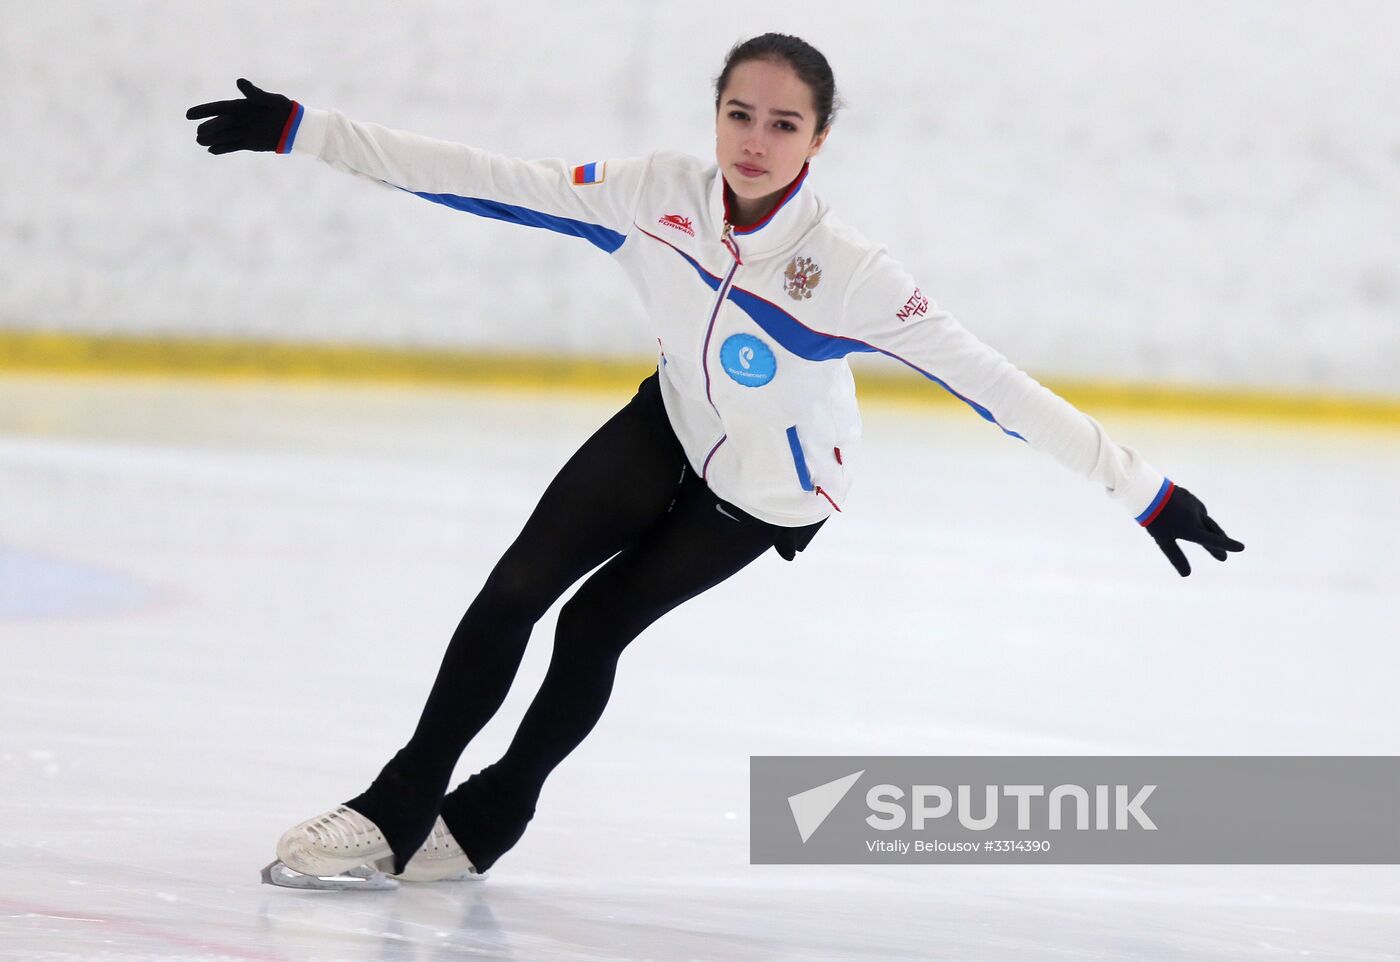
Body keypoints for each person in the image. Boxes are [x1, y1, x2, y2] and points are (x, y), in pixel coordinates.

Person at [186, 33, 1244, 890]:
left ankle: (498, 806)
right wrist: (304, 130)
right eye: (739, 113)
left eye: (783, 123)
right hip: (673, 419)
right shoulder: (658, 192)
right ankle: (399, 799)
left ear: (817, 140)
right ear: (715, 115)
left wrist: (1142, 491)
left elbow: (997, 386)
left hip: (770, 485)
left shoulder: (852, 276)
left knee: (592, 623)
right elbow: (490, 181)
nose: (754, 139)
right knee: (515, 584)